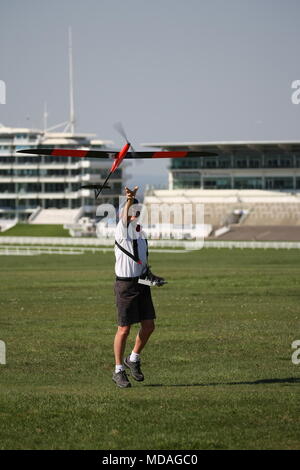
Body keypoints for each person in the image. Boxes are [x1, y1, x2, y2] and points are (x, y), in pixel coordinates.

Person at [112, 185, 163, 388]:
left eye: (139, 214)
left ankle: (133, 359)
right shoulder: (122, 231)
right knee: (124, 329)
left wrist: (152, 278)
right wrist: (130, 199)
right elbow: (125, 216)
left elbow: (141, 265)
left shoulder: (141, 236)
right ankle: (118, 370)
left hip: (141, 283)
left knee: (149, 326)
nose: (137, 217)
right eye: (134, 214)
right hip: (125, 286)